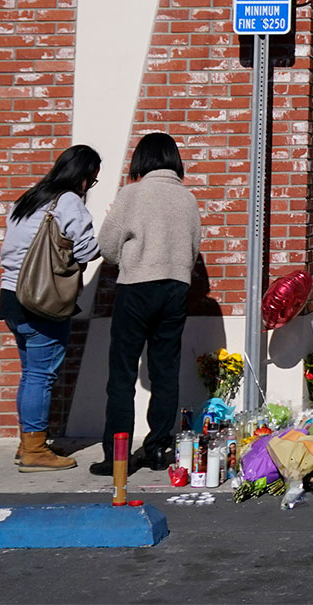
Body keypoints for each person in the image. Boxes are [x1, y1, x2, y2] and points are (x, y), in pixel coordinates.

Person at [89, 131, 202, 475]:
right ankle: (157, 449)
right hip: (176, 288)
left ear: (142, 161)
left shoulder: (132, 194)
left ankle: (117, 457)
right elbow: (194, 249)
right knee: (165, 372)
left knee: (122, 375)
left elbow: (106, 246)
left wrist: (130, 255)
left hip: (136, 286)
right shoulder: (188, 200)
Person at [0, 144, 102, 472]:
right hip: (42, 299)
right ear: (83, 177)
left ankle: (26, 442)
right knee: (41, 376)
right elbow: (86, 251)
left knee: (30, 374)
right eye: (93, 180)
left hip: (11, 297)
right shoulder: (68, 201)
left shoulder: (27, 199)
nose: (90, 186)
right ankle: (35, 450)